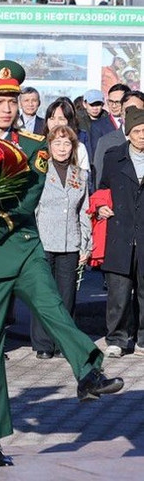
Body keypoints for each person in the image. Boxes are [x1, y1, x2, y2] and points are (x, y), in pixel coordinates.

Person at [0, 60, 123, 467]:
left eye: (12, 100)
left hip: (24, 244)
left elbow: (30, 196)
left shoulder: (34, 146)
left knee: (54, 308)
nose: (7, 107)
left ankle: (88, 372)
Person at [33, 125, 91, 359]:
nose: (62, 148)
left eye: (67, 143)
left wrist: (85, 243)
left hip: (70, 241)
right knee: (43, 293)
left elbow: (84, 210)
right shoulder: (40, 172)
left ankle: (63, 342)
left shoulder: (80, 174)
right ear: (49, 146)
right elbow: (34, 208)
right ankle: (43, 344)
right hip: (44, 240)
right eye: (57, 143)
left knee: (67, 295)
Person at [97, 106, 144, 358]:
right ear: (128, 133)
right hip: (120, 231)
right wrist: (102, 205)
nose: (142, 135)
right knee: (119, 291)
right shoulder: (113, 156)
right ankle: (117, 338)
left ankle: (143, 339)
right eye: (137, 131)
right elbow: (102, 187)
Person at [94, 90, 144, 183]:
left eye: (137, 111)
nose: (131, 115)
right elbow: (100, 180)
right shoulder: (106, 142)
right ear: (121, 112)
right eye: (127, 111)